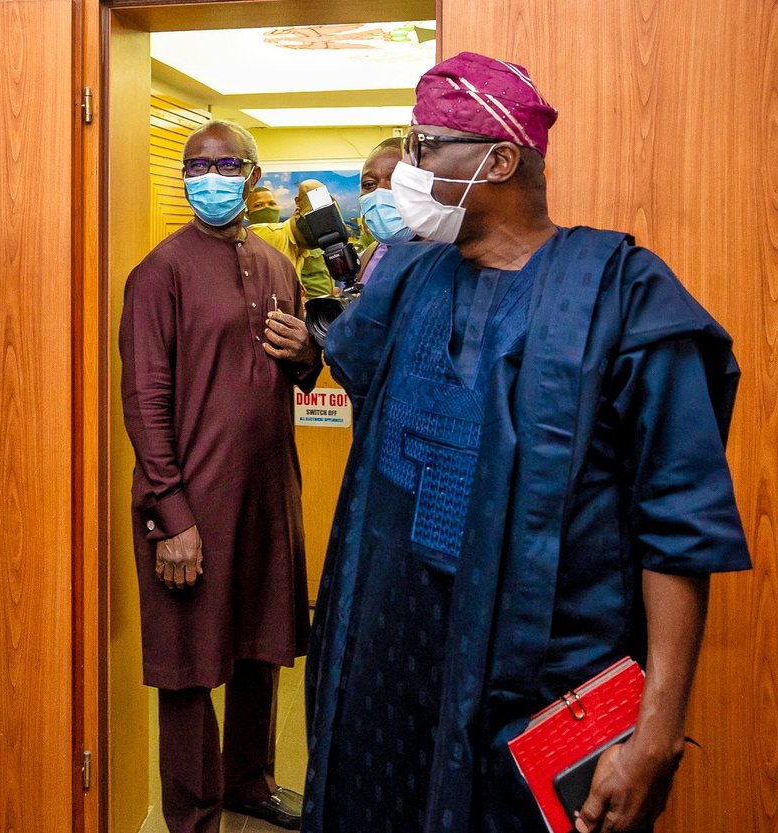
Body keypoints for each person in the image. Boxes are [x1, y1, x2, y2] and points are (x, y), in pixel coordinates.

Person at [303, 52, 750, 833]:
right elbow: (355, 373)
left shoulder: (623, 295)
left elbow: (679, 526)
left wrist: (656, 732)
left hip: (535, 689)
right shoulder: (407, 279)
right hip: (386, 682)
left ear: (501, 161)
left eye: (424, 147)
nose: (408, 169)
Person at [120, 119, 322, 833]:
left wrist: (307, 352)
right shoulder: (160, 272)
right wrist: (172, 515)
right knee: (188, 667)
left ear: (253, 177)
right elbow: (144, 401)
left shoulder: (277, 266)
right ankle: (194, 814)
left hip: (267, 496)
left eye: (226, 165)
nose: (209, 178)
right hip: (190, 504)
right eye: (196, 167)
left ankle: (250, 782)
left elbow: (300, 370)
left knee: (262, 647)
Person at [247, 180, 336, 298]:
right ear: (297, 212)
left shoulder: (300, 248)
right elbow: (311, 186)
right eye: (313, 221)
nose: (317, 230)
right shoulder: (267, 233)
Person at [355, 136, 411, 285]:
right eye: (369, 184)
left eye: (396, 180)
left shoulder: (454, 260)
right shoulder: (364, 262)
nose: (381, 193)